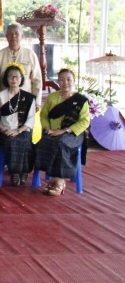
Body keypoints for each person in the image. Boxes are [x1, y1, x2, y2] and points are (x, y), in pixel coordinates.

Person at [35, 68, 90, 196]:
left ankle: (59, 181)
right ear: (58, 82)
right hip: (52, 131)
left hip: (72, 133)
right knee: (43, 142)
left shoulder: (81, 100)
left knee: (61, 143)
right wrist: (47, 128)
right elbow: (43, 116)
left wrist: (64, 130)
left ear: (74, 81)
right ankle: (52, 178)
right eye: (61, 80)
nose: (65, 83)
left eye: (69, 79)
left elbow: (84, 121)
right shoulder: (52, 97)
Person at [0, 63, 36, 186]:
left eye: (17, 76)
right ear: (6, 79)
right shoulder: (0, 96)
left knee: (26, 142)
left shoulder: (28, 97)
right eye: (10, 76)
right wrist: (3, 129)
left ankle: (25, 171)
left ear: (21, 79)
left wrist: (19, 130)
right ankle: (15, 172)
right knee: (12, 141)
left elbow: (31, 118)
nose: (14, 79)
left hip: (22, 130)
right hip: (5, 130)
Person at [0, 23, 42, 102]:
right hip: (4, 100)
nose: (14, 36)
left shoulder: (30, 54)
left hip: (25, 99)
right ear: (6, 36)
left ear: (22, 36)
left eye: (16, 34)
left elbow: (37, 80)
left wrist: (36, 102)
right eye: (10, 34)